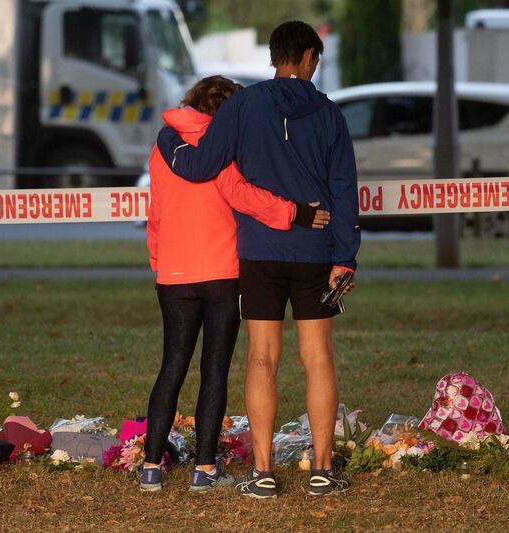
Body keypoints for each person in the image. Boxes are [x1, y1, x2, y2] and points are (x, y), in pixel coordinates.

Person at [157, 21, 360, 498]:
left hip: (258, 253)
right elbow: (345, 191)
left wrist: (170, 142)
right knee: (317, 358)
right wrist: (345, 257)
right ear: (309, 56)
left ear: (273, 56)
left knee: (262, 358)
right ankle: (323, 469)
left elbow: (202, 165)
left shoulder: (244, 104)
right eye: (316, 58)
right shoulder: (331, 113)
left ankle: (263, 471)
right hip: (316, 252)